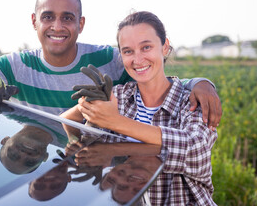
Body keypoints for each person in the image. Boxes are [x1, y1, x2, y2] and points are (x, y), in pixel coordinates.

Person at [0, 0, 221, 128]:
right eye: (48, 17)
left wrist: (197, 82)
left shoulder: (108, 59)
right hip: (35, 165)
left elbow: (150, 74)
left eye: (68, 18)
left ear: (81, 24)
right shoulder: (15, 65)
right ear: (34, 21)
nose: (58, 27)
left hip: (92, 175)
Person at [61, 11, 218, 205]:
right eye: (128, 51)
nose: (138, 59)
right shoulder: (117, 96)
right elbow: (67, 120)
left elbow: (196, 150)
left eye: (146, 47)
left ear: (165, 47)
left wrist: (116, 123)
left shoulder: (192, 101)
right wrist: (77, 139)